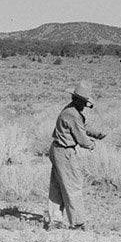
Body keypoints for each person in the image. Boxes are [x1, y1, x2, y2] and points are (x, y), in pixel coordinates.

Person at [46, 81, 100, 230]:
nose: (84, 105)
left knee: (57, 186)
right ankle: (77, 222)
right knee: (73, 185)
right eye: (83, 102)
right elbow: (81, 139)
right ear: (77, 99)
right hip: (64, 152)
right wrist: (92, 144)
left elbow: (80, 127)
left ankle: (55, 220)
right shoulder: (73, 114)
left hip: (57, 150)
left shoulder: (70, 111)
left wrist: (94, 133)